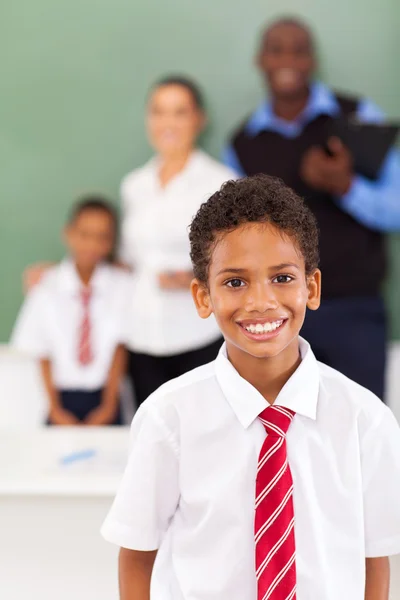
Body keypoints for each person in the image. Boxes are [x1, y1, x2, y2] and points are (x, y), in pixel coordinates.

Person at [101, 175, 400, 599]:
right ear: (203, 297)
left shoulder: (364, 421)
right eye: (235, 282)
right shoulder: (169, 417)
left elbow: (374, 560)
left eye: (281, 278)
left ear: (311, 288)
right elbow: (136, 552)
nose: (261, 301)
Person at [24, 76, 237, 408]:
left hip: (199, 335)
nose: (168, 123)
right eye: (158, 112)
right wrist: (57, 271)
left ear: (199, 119)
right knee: (153, 442)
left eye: (179, 112)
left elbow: (238, 260)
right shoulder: (135, 185)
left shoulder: (220, 183)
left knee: (203, 439)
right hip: (140, 335)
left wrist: (195, 278)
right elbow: (126, 260)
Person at [223, 17, 400, 400]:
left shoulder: (356, 117)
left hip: (355, 307)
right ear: (261, 60)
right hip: (277, 316)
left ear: (312, 60)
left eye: (299, 50)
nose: (288, 60)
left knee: (361, 437)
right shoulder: (241, 145)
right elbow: (235, 238)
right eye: (277, 50)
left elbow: (396, 208)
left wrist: (346, 186)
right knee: (283, 433)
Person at [11, 197, 129, 425]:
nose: (92, 245)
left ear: (111, 242)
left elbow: (119, 348)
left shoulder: (122, 286)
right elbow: (42, 352)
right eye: (84, 235)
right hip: (60, 399)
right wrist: (54, 409)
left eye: (102, 237)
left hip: (106, 398)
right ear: (69, 234)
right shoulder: (46, 287)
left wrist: (108, 406)